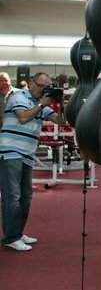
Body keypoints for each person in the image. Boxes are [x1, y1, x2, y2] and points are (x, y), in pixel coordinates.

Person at [0, 72, 67, 251]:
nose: (42, 90)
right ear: (30, 83)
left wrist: (60, 103)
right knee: (12, 197)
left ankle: (18, 233)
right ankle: (11, 237)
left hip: (27, 154)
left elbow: (60, 121)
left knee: (26, 197)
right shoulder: (18, 96)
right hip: (10, 151)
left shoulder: (40, 104)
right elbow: (23, 117)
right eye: (40, 85)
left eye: (46, 88)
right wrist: (42, 104)